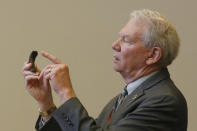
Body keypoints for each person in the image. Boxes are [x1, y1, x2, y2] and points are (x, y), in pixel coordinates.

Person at [22, 9, 188, 131]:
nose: (115, 45)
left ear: (153, 55)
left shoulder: (163, 101)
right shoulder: (126, 97)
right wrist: (46, 104)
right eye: (119, 37)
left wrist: (65, 92)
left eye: (126, 40)